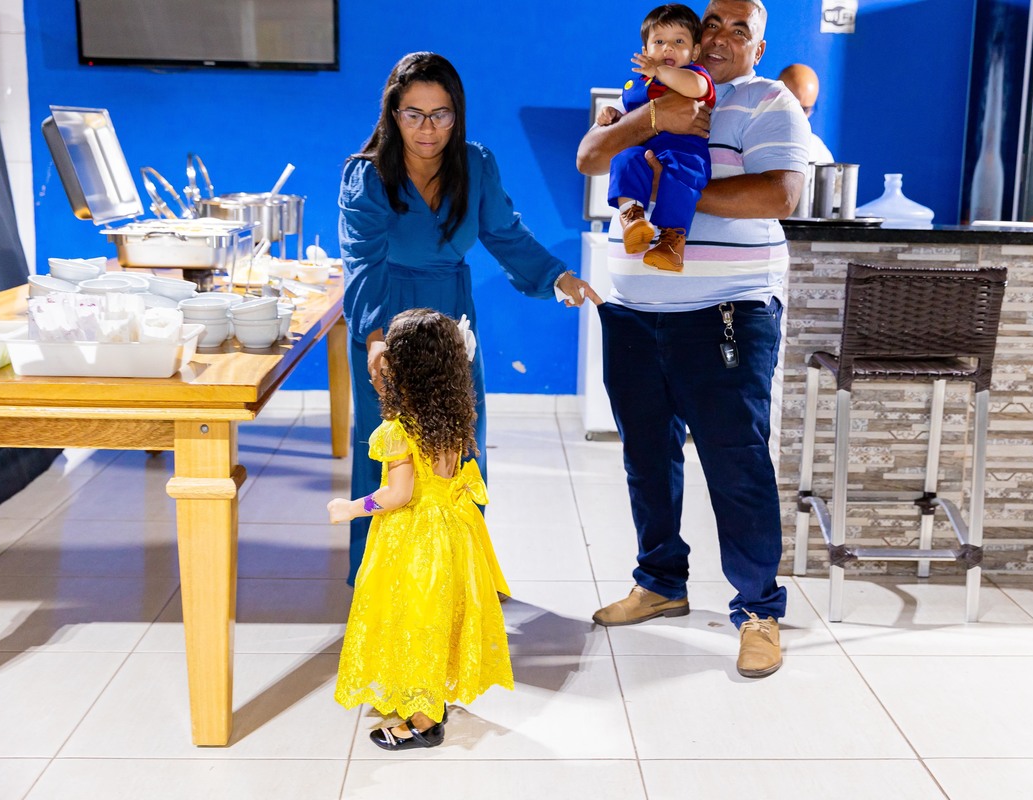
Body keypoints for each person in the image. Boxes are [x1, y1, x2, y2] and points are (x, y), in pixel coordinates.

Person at [576, 0, 810, 678]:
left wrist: (670, 186)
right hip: (632, 311)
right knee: (646, 459)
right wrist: (652, 121)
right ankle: (659, 583)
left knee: (736, 464)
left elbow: (780, 197)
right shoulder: (650, 88)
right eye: (714, 24)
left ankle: (758, 610)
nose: (723, 38)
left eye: (742, 30)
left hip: (724, 313)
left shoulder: (769, 103)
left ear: (758, 49)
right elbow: (591, 158)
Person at [339, 52, 602, 586]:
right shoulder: (366, 174)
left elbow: (505, 233)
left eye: (440, 114)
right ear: (393, 114)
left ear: (457, 114)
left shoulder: (475, 164)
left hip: (450, 320)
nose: (427, 129)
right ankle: (381, 580)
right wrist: (374, 339)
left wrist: (558, 276)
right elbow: (362, 262)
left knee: (458, 445)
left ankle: (462, 574)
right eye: (414, 114)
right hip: (385, 317)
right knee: (386, 449)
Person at [328, 308, 512, 751]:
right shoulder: (450, 415)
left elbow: (398, 495)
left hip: (415, 539)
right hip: (453, 530)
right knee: (438, 616)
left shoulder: (398, 430)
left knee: (414, 619)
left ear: (403, 368)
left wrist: (351, 508)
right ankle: (432, 697)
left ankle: (424, 723)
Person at [607, 4, 717, 273]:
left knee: (680, 180)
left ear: (695, 52)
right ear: (645, 51)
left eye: (678, 42)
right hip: (645, 152)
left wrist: (659, 71)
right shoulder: (635, 86)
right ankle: (632, 217)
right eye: (659, 42)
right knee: (624, 159)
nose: (668, 48)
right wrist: (611, 116)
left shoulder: (697, 76)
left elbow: (696, 88)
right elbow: (626, 122)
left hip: (684, 152)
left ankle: (672, 243)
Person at [777, 63, 834, 163]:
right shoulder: (751, 138)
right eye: (792, 106)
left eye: (805, 110)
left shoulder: (818, 152)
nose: (799, 117)